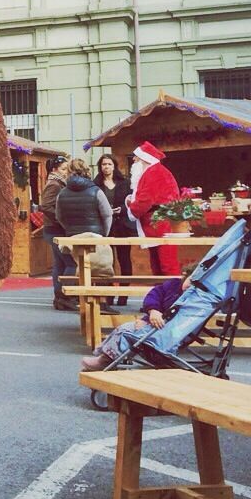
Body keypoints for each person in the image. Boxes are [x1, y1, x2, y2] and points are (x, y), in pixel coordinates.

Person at [81, 261, 199, 370]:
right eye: (190, 280)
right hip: (153, 323)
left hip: (165, 331)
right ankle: (106, 356)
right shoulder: (173, 284)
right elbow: (154, 294)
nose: (190, 286)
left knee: (125, 331)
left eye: (195, 285)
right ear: (185, 275)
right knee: (126, 329)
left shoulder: (194, 301)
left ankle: (106, 361)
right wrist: (152, 311)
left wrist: (148, 324)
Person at [126, 141, 181, 277]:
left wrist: (130, 206)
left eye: (136, 157)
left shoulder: (153, 173)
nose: (133, 160)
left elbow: (145, 201)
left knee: (166, 266)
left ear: (144, 159)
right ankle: (163, 295)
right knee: (158, 265)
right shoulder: (153, 172)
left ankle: (170, 297)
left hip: (160, 225)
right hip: (157, 224)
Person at [94, 154, 134, 307]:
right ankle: (108, 295)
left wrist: (121, 209)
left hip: (122, 226)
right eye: (104, 164)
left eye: (109, 164)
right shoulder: (96, 184)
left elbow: (131, 202)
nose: (106, 167)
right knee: (106, 262)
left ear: (114, 166)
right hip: (105, 227)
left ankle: (124, 295)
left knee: (124, 260)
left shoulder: (125, 183)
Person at [40, 154, 76, 310]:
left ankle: (60, 296)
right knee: (69, 262)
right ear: (55, 169)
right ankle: (65, 295)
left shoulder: (58, 182)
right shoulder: (54, 184)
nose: (65, 172)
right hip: (55, 229)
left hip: (53, 228)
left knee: (60, 263)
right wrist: (61, 219)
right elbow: (46, 206)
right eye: (63, 169)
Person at [55, 159, 112, 237]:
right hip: (94, 237)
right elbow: (107, 215)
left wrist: (70, 229)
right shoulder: (97, 191)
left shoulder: (61, 194)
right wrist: (104, 233)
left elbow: (59, 216)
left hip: (72, 237)